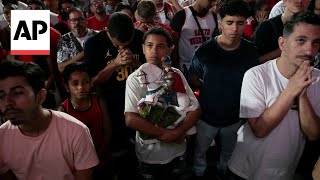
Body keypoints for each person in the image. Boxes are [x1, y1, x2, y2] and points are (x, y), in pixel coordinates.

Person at [228, 11, 320, 180]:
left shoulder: (318, 78)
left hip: (285, 171)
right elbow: (259, 129)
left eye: (316, 43)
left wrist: (302, 96)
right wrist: (292, 88)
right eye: (301, 40)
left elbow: (313, 134)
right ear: (282, 43)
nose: (309, 50)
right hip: (245, 170)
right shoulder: (256, 75)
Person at [188, 0, 259, 178]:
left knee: (229, 153)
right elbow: (194, 78)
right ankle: (199, 172)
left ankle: (223, 172)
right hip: (205, 116)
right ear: (220, 24)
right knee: (200, 151)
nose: (235, 28)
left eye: (240, 23)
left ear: (245, 24)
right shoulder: (205, 51)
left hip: (235, 118)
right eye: (230, 22)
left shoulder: (251, 51)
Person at [0, 60, 99, 179]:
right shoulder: (2, 138)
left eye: (17, 93)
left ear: (41, 96)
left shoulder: (76, 131)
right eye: (1, 95)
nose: (7, 102)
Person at [124, 26, 201, 180]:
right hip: (149, 156)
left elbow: (196, 109)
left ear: (169, 50)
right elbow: (131, 119)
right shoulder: (135, 79)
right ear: (143, 49)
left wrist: (178, 132)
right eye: (150, 46)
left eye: (160, 46)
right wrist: (165, 134)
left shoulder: (176, 74)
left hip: (177, 151)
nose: (154, 51)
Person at [84, 12, 145, 180]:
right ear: (107, 32)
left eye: (128, 43)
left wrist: (135, 63)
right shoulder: (93, 44)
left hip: (139, 103)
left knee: (141, 146)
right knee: (115, 148)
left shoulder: (141, 37)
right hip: (110, 105)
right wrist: (115, 64)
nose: (123, 47)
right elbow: (92, 82)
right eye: (118, 44)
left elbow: (153, 71)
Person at [58, 62, 112, 178]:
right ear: (67, 86)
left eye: (85, 82)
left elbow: (107, 132)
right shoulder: (63, 110)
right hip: (77, 166)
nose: (81, 87)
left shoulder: (99, 102)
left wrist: (98, 155)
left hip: (102, 158)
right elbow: (64, 146)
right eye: (75, 83)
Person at [170, 0, 218, 70]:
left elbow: (214, 42)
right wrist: (176, 68)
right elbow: (173, 45)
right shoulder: (182, 15)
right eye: (211, 0)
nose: (213, 3)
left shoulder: (213, 16)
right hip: (186, 66)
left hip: (206, 66)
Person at [57, 7, 96, 72]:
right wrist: (83, 54)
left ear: (86, 21)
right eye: (73, 20)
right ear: (69, 23)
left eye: (80, 19)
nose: (77, 23)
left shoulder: (97, 36)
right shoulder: (64, 39)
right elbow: (61, 68)